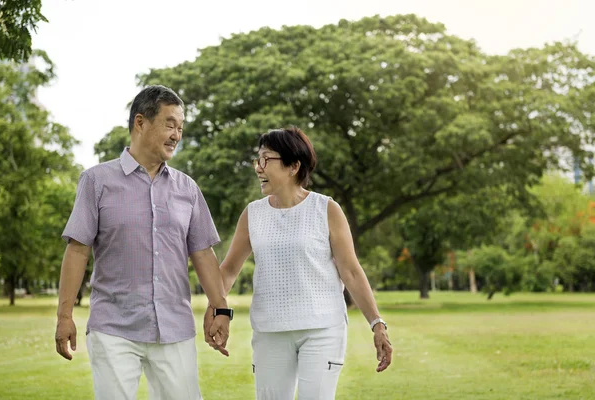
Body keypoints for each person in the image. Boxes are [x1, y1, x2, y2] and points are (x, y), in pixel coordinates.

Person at [55, 85, 232, 400]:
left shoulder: (187, 189)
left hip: (174, 329)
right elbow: (78, 250)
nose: (176, 134)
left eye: (180, 128)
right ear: (140, 123)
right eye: (169, 124)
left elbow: (203, 254)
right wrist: (64, 316)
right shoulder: (96, 181)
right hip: (114, 328)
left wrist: (221, 308)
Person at [204, 126, 392, 399]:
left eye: (267, 159)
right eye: (258, 160)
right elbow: (230, 269)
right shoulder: (252, 214)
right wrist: (216, 307)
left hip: (322, 329)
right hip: (270, 331)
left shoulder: (326, 209)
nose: (259, 167)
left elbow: (350, 271)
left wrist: (377, 323)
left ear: (293, 166)